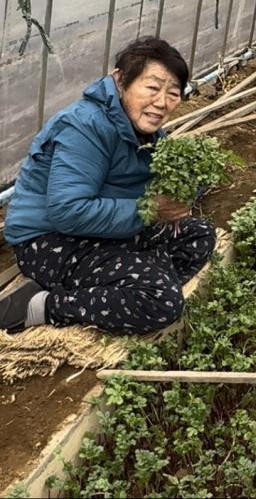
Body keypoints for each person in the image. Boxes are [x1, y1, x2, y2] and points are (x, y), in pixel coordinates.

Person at [0, 36, 216, 335]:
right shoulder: (84, 127)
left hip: (102, 234)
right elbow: (68, 211)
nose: (162, 103)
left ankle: (120, 286)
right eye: (152, 88)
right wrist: (151, 210)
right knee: (162, 300)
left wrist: (185, 191)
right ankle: (41, 305)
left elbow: (156, 187)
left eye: (174, 93)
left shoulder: (148, 133)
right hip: (49, 240)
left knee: (199, 236)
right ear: (120, 80)